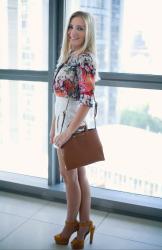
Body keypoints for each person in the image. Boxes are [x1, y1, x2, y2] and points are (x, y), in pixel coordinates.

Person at [50, 11, 97, 249]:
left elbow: (87, 101)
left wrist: (66, 132)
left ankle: (71, 224)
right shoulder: (67, 57)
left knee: (70, 179)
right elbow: (58, 98)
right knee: (78, 177)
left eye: (80, 28)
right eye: (71, 27)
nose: (73, 32)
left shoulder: (85, 59)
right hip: (62, 125)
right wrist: (53, 126)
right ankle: (85, 222)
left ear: (88, 33)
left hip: (73, 127)